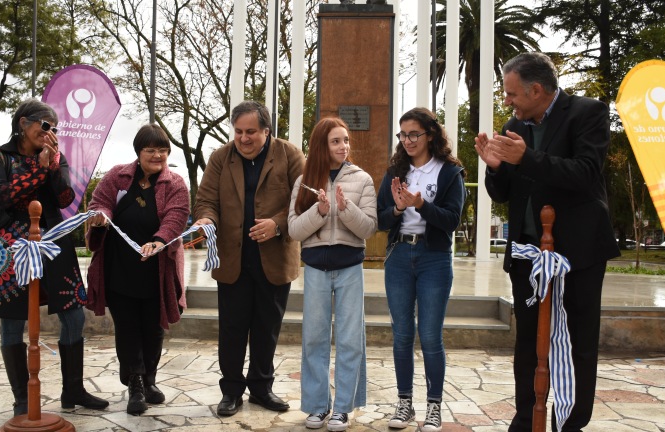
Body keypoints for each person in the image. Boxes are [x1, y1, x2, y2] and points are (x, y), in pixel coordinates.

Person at [474, 52, 619, 432]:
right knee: (528, 344)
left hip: (578, 253)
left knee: (577, 342)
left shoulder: (587, 113)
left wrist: (528, 158)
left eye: (511, 94)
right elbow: (505, 193)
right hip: (527, 254)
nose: (507, 102)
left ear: (536, 89)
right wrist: (494, 168)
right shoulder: (514, 126)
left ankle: (570, 422)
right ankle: (526, 419)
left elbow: (587, 174)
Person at [0, 98, 108, 416]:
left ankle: (73, 390)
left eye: (54, 128)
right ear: (23, 124)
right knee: (12, 323)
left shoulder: (52, 157)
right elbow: (2, 196)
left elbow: (64, 198)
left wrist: (53, 168)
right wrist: (38, 169)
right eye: (45, 126)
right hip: (12, 246)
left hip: (53, 241)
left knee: (74, 315)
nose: (50, 133)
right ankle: (22, 398)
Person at [193, 100, 305, 417]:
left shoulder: (290, 154)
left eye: (251, 132)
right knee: (232, 329)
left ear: (267, 131)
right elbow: (205, 201)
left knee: (266, 328)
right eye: (238, 131)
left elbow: (305, 199)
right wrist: (205, 220)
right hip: (232, 259)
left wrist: (278, 224)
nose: (243, 138)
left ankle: (261, 388)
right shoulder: (219, 158)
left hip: (275, 258)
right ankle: (231, 391)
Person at [85, 124, 190, 415]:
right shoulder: (117, 176)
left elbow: (176, 217)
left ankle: (149, 378)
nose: (157, 155)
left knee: (153, 329)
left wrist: (158, 241)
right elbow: (100, 203)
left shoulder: (176, 184)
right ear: (139, 152)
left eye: (162, 150)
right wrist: (101, 218)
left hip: (157, 270)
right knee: (128, 328)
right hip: (119, 267)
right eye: (151, 150)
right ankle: (135, 384)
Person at [377, 107, 465, 432]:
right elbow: (380, 218)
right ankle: (404, 404)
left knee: (429, 335)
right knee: (402, 334)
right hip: (400, 254)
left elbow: (452, 220)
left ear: (430, 134)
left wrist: (420, 206)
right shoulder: (395, 172)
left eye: (414, 134)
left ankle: (433, 407)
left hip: (434, 257)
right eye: (403, 134)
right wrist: (399, 207)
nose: (408, 140)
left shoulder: (449, 172)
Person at [288, 118, 377, 431]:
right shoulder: (304, 181)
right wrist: (320, 212)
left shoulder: (362, 179)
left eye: (346, 140)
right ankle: (317, 405)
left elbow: (369, 228)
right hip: (315, 269)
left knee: (351, 340)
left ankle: (342, 409)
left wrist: (346, 208)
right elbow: (294, 230)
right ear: (321, 146)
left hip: (350, 267)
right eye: (336, 141)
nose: (344, 147)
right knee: (314, 339)